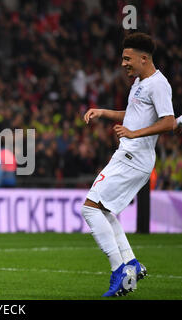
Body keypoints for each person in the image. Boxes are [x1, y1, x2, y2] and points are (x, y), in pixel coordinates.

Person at [82, 33, 175, 297]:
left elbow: (168, 122)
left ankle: (120, 269)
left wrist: (134, 134)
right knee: (104, 210)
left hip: (134, 156)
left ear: (144, 58)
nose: (123, 63)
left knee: (89, 209)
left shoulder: (158, 84)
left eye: (127, 58)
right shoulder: (139, 82)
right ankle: (131, 264)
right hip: (131, 155)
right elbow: (133, 114)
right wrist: (103, 112)